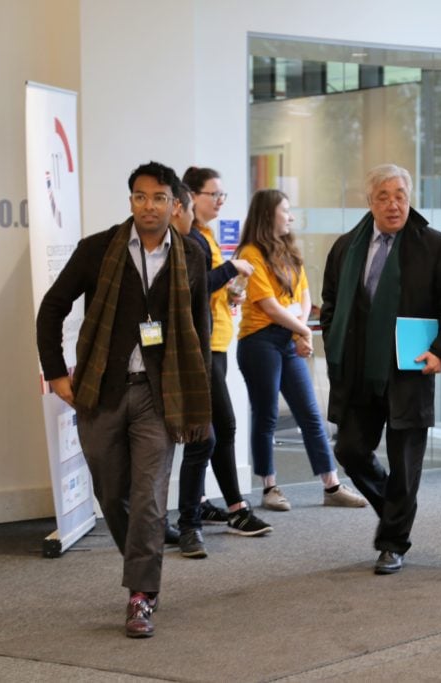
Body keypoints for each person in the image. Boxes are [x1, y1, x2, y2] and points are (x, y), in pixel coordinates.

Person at [36, 161, 211, 638]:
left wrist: (202, 395)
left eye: (158, 198)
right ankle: (142, 564)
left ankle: (140, 595)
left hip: (162, 395)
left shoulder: (193, 255)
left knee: (151, 498)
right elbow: (52, 308)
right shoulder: (98, 250)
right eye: (140, 197)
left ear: (175, 204)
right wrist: (55, 373)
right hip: (102, 392)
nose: (148, 206)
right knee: (112, 496)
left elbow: (200, 328)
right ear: (130, 200)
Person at [320, 163, 441, 575]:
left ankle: (392, 542)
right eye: (383, 196)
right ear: (369, 202)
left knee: (406, 462)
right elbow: (330, 301)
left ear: (410, 197)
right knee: (349, 448)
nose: (393, 204)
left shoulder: (433, 245)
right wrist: (333, 336)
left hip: (408, 372)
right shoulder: (347, 246)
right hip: (358, 372)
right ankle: (394, 510)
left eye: (400, 195)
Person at [235, 189, 368, 512]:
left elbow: (305, 295)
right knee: (266, 415)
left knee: (310, 413)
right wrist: (304, 329)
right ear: (269, 215)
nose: (290, 216)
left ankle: (331, 484)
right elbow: (267, 306)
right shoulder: (251, 254)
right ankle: (269, 487)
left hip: (289, 337)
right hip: (260, 341)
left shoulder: (289, 252)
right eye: (285, 210)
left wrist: (300, 329)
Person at [170, 174, 272, 560]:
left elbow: (208, 285)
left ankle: (213, 507)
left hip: (216, 340)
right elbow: (197, 285)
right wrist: (232, 270)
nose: (220, 201)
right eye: (214, 195)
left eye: (222, 195)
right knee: (215, 430)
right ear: (190, 197)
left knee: (214, 432)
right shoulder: (187, 239)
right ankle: (224, 511)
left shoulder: (205, 236)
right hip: (202, 347)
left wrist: (230, 285)